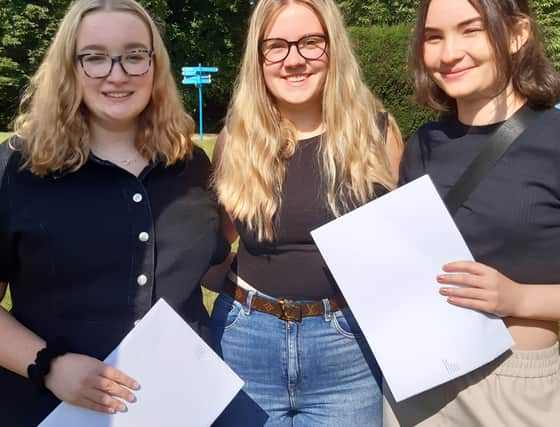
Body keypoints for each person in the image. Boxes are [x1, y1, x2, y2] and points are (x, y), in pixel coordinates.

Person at [0, 0, 229, 425]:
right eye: (94, 58)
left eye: (134, 55)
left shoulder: (190, 165)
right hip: (48, 408)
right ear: (69, 67)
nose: (117, 74)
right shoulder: (14, 169)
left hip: (180, 406)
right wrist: (49, 365)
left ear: (155, 66)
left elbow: (207, 267)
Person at [208, 0, 403, 425]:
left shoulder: (377, 135)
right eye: (276, 46)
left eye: (311, 43)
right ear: (258, 58)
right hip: (244, 341)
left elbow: (402, 256)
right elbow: (215, 245)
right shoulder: (234, 140)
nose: (294, 59)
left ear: (333, 48)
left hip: (346, 349)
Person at [384, 0, 560, 425]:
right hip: (415, 380)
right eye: (434, 37)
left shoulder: (554, 139)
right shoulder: (422, 144)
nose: (449, 53)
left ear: (518, 35)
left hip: (512, 386)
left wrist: (518, 298)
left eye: (471, 30)